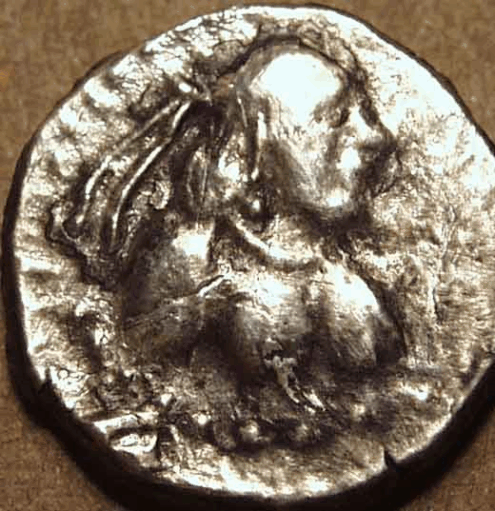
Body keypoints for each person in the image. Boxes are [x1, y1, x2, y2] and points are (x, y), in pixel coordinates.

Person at [50, 40, 404, 448]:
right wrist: (203, 306)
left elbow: (386, 393)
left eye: (364, 111)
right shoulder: (195, 251)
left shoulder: (344, 280)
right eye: (336, 118)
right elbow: (132, 348)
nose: (376, 137)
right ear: (254, 150)